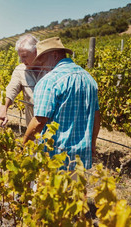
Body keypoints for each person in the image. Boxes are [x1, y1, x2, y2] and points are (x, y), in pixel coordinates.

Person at [23, 37, 100, 170]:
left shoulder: (49, 81)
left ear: (54, 55)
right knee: (73, 189)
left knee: (46, 190)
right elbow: (96, 116)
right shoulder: (89, 79)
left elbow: (39, 121)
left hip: (54, 158)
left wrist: (24, 146)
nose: (42, 67)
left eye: (42, 61)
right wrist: (92, 143)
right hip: (79, 158)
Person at [0, 34, 45, 127]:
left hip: (54, 128)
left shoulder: (51, 68)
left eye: (24, 56)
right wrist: (3, 108)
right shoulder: (20, 70)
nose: (21, 60)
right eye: (20, 57)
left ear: (36, 52)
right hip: (33, 129)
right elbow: (11, 90)